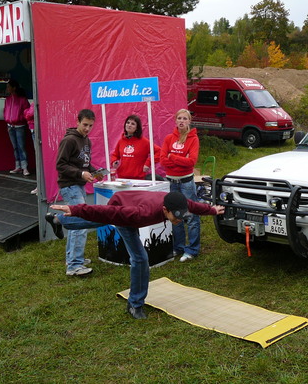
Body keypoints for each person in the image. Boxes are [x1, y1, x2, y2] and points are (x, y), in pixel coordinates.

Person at [46, 191, 224, 319]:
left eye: (181, 216)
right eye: (176, 216)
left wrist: (213, 210)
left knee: (100, 223)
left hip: (132, 203)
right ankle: (135, 305)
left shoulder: (179, 202)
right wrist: (76, 209)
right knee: (140, 258)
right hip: (122, 209)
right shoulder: (141, 213)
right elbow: (105, 211)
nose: (179, 220)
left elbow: (195, 206)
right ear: (165, 209)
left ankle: (58, 220)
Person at [52, 108, 102, 276]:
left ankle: (72, 258)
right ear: (77, 121)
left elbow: (85, 164)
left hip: (78, 186)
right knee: (81, 222)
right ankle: (74, 265)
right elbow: (60, 165)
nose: (87, 128)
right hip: (70, 185)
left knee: (75, 222)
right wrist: (81, 174)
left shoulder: (87, 141)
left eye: (90, 125)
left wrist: (96, 172)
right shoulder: (70, 140)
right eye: (85, 124)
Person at [160, 109, 201, 262]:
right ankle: (179, 247)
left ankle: (193, 249)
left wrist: (172, 156)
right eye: (179, 118)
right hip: (171, 181)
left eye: (185, 118)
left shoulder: (193, 139)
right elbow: (163, 160)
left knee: (190, 215)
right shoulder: (169, 138)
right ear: (175, 121)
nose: (182, 121)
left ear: (189, 121)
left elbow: (192, 162)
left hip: (186, 182)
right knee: (175, 215)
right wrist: (180, 158)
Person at [110, 114, 161, 180]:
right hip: (122, 179)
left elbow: (159, 152)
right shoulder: (121, 141)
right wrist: (114, 161)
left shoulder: (144, 142)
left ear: (137, 128)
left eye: (133, 124)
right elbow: (115, 155)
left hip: (138, 179)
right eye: (128, 123)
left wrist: (148, 163)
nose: (129, 125)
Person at [4, 80, 30, 175]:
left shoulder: (22, 100)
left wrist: (19, 119)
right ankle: (18, 166)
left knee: (21, 146)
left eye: (8, 87)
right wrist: (7, 119)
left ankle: (24, 167)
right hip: (10, 126)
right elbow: (5, 110)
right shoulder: (7, 100)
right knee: (15, 147)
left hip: (20, 126)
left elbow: (27, 113)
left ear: (14, 88)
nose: (7, 89)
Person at [23, 101, 37, 194]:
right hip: (35, 129)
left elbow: (29, 114)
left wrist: (25, 111)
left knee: (40, 160)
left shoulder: (37, 100)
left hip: (37, 130)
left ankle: (41, 187)